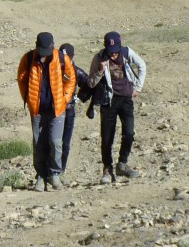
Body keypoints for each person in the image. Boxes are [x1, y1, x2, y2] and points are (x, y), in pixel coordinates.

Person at [17, 31, 77, 190]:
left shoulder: (62, 59)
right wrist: (28, 98)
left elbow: (71, 79)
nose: (43, 55)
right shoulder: (29, 58)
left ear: (52, 47)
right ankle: (41, 176)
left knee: (56, 142)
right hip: (37, 110)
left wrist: (64, 98)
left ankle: (55, 174)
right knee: (38, 143)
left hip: (56, 109)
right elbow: (22, 79)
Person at [88, 31, 147, 185]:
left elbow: (142, 65)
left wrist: (138, 88)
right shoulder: (99, 57)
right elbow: (91, 83)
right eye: (110, 52)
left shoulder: (127, 52)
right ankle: (107, 169)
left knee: (129, 132)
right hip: (108, 101)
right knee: (107, 137)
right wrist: (100, 70)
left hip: (126, 99)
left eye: (115, 52)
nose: (113, 55)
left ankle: (122, 164)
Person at [58, 42, 93, 177]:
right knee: (53, 142)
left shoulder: (76, 71)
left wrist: (80, 97)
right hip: (54, 110)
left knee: (65, 143)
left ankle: (61, 170)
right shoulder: (52, 70)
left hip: (69, 110)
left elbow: (89, 84)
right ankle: (51, 170)